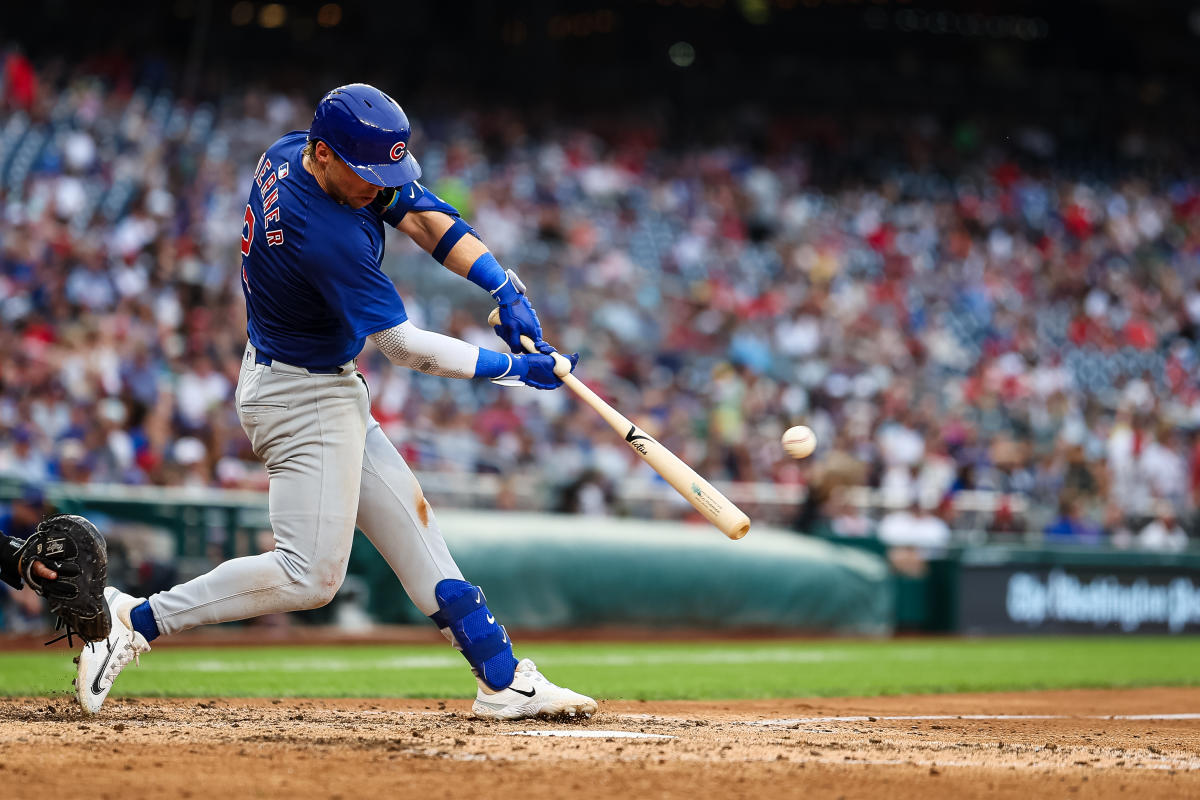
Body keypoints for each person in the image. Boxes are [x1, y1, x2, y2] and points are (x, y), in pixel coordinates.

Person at [79, 84, 596, 720]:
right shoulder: (323, 233)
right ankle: (134, 619)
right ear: (324, 155)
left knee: (416, 533)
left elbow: (421, 213)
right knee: (309, 576)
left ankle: (502, 678)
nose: (380, 188)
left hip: (318, 382)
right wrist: (515, 369)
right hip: (300, 396)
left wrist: (502, 285)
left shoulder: (295, 152)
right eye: (367, 174)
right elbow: (403, 347)